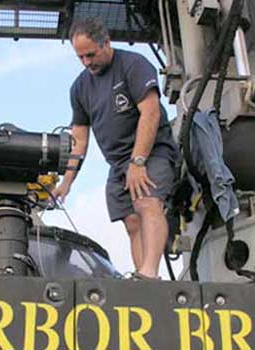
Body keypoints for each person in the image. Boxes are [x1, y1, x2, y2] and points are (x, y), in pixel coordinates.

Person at [52, 18, 179, 280]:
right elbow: (80, 138)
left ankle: (149, 273)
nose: (87, 62)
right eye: (81, 57)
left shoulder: (133, 65)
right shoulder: (79, 88)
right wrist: (67, 180)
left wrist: (139, 161)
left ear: (106, 43)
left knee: (147, 202)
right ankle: (142, 280)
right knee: (131, 221)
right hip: (117, 163)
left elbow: (151, 112)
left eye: (91, 54)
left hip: (151, 152)